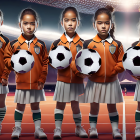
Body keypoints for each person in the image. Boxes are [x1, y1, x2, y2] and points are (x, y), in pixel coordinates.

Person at [4, 8, 48, 139]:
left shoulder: (40, 44)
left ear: (36, 25)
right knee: (20, 106)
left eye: (32, 23)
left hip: (36, 82)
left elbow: (45, 62)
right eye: (26, 23)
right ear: (20, 25)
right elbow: (6, 58)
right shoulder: (14, 44)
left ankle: (38, 129)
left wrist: (42, 79)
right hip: (21, 82)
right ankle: (17, 128)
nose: (29, 26)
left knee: (36, 105)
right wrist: (12, 64)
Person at [83, 5, 124, 139]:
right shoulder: (88, 44)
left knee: (112, 108)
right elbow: (81, 61)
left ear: (111, 25)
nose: (103, 26)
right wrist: (85, 71)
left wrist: (115, 70)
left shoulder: (117, 44)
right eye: (100, 23)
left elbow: (122, 62)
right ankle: (93, 129)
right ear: (95, 24)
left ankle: (115, 130)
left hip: (111, 82)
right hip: (94, 82)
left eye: (106, 23)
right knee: (94, 108)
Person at [49, 6, 88, 139]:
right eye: (67, 20)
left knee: (75, 105)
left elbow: (86, 63)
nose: (70, 23)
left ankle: (78, 127)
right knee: (60, 104)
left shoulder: (83, 44)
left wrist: (84, 72)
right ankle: (58, 129)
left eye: (73, 20)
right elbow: (51, 61)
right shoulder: (56, 43)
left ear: (78, 22)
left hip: (77, 81)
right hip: (62, 80)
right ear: (62, 22)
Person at [0, 10, 11, 135]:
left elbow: (8, 61)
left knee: (1, 103)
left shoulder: (5, 41)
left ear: (1, 22)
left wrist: (5, 76)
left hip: (0, 79)